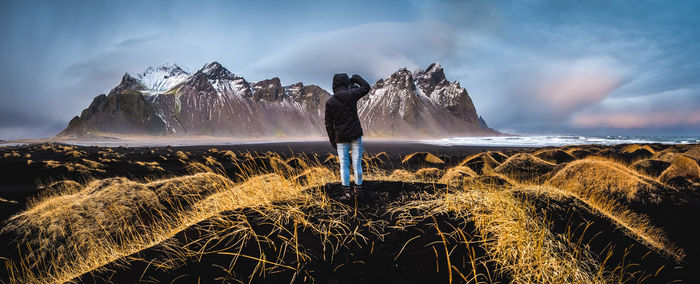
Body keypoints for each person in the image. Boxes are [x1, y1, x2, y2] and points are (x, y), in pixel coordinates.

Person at [325, 73, 371, 200]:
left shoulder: (330, 102)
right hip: (355, 134)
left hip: (341, 137)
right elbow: (366, 87)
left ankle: (346, 193)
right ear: (346, 82)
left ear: (334, 84)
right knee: (357, 164)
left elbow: (328, 124)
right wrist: (355, 77)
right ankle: (358, 191)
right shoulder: (352, 94)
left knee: (344, 165)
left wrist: (333, 140)